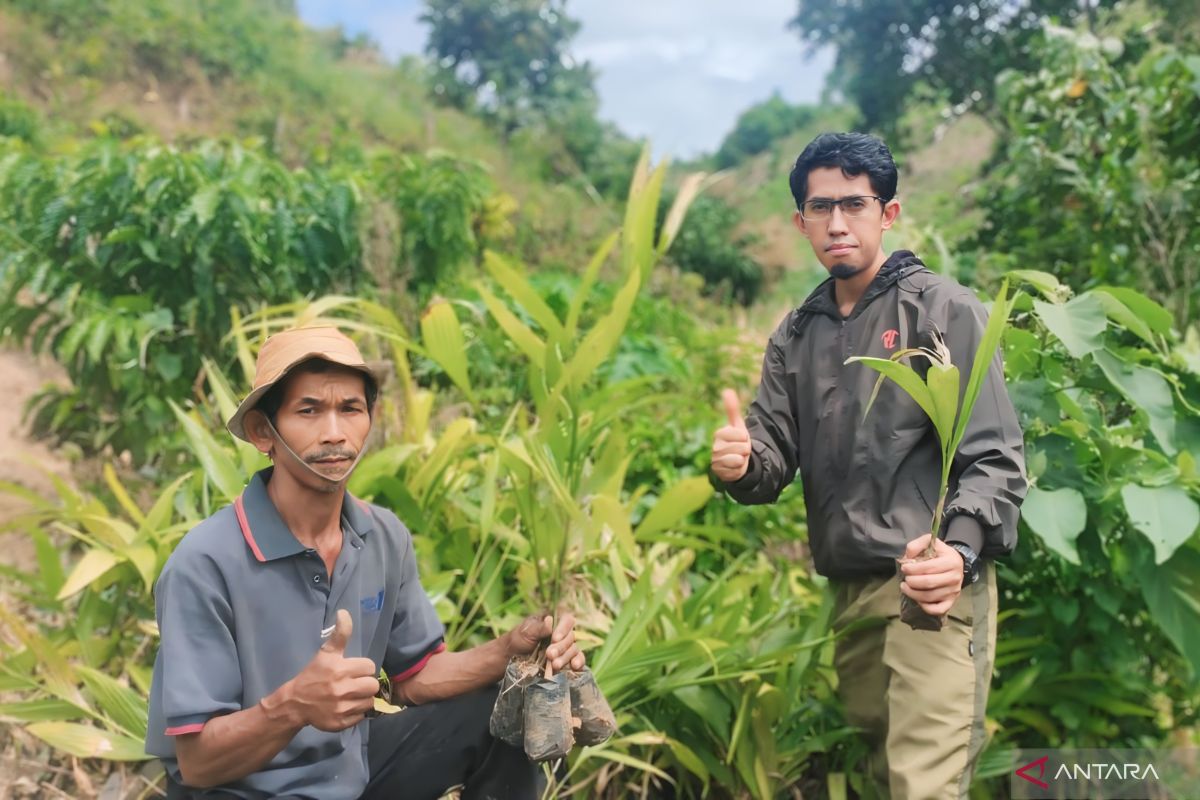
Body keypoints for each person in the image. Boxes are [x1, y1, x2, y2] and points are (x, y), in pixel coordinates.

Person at [710, 132, 1027, 800]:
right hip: (850, 593)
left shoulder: (944, 312)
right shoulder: (798, 333)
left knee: (922, 787)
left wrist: (960, 554)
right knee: (884, 777)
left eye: (854, 205)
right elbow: (771, 460)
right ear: (800, 222)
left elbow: (996, 457)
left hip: (931, 585)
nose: (836, 223)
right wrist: (740, 464)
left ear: (888, 213)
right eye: (820, 208)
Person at [145, 326, 586, 800]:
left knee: (499, 707)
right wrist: (293, 706)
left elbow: (415, 677)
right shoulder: (204, 563)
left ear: (369, 420)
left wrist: (510, 651)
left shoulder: (381, 537)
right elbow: (197, 764)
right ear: (261, 432)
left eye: (350, 409)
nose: (334, 433)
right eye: (309, 410)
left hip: (346, 777)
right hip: (238, 792)